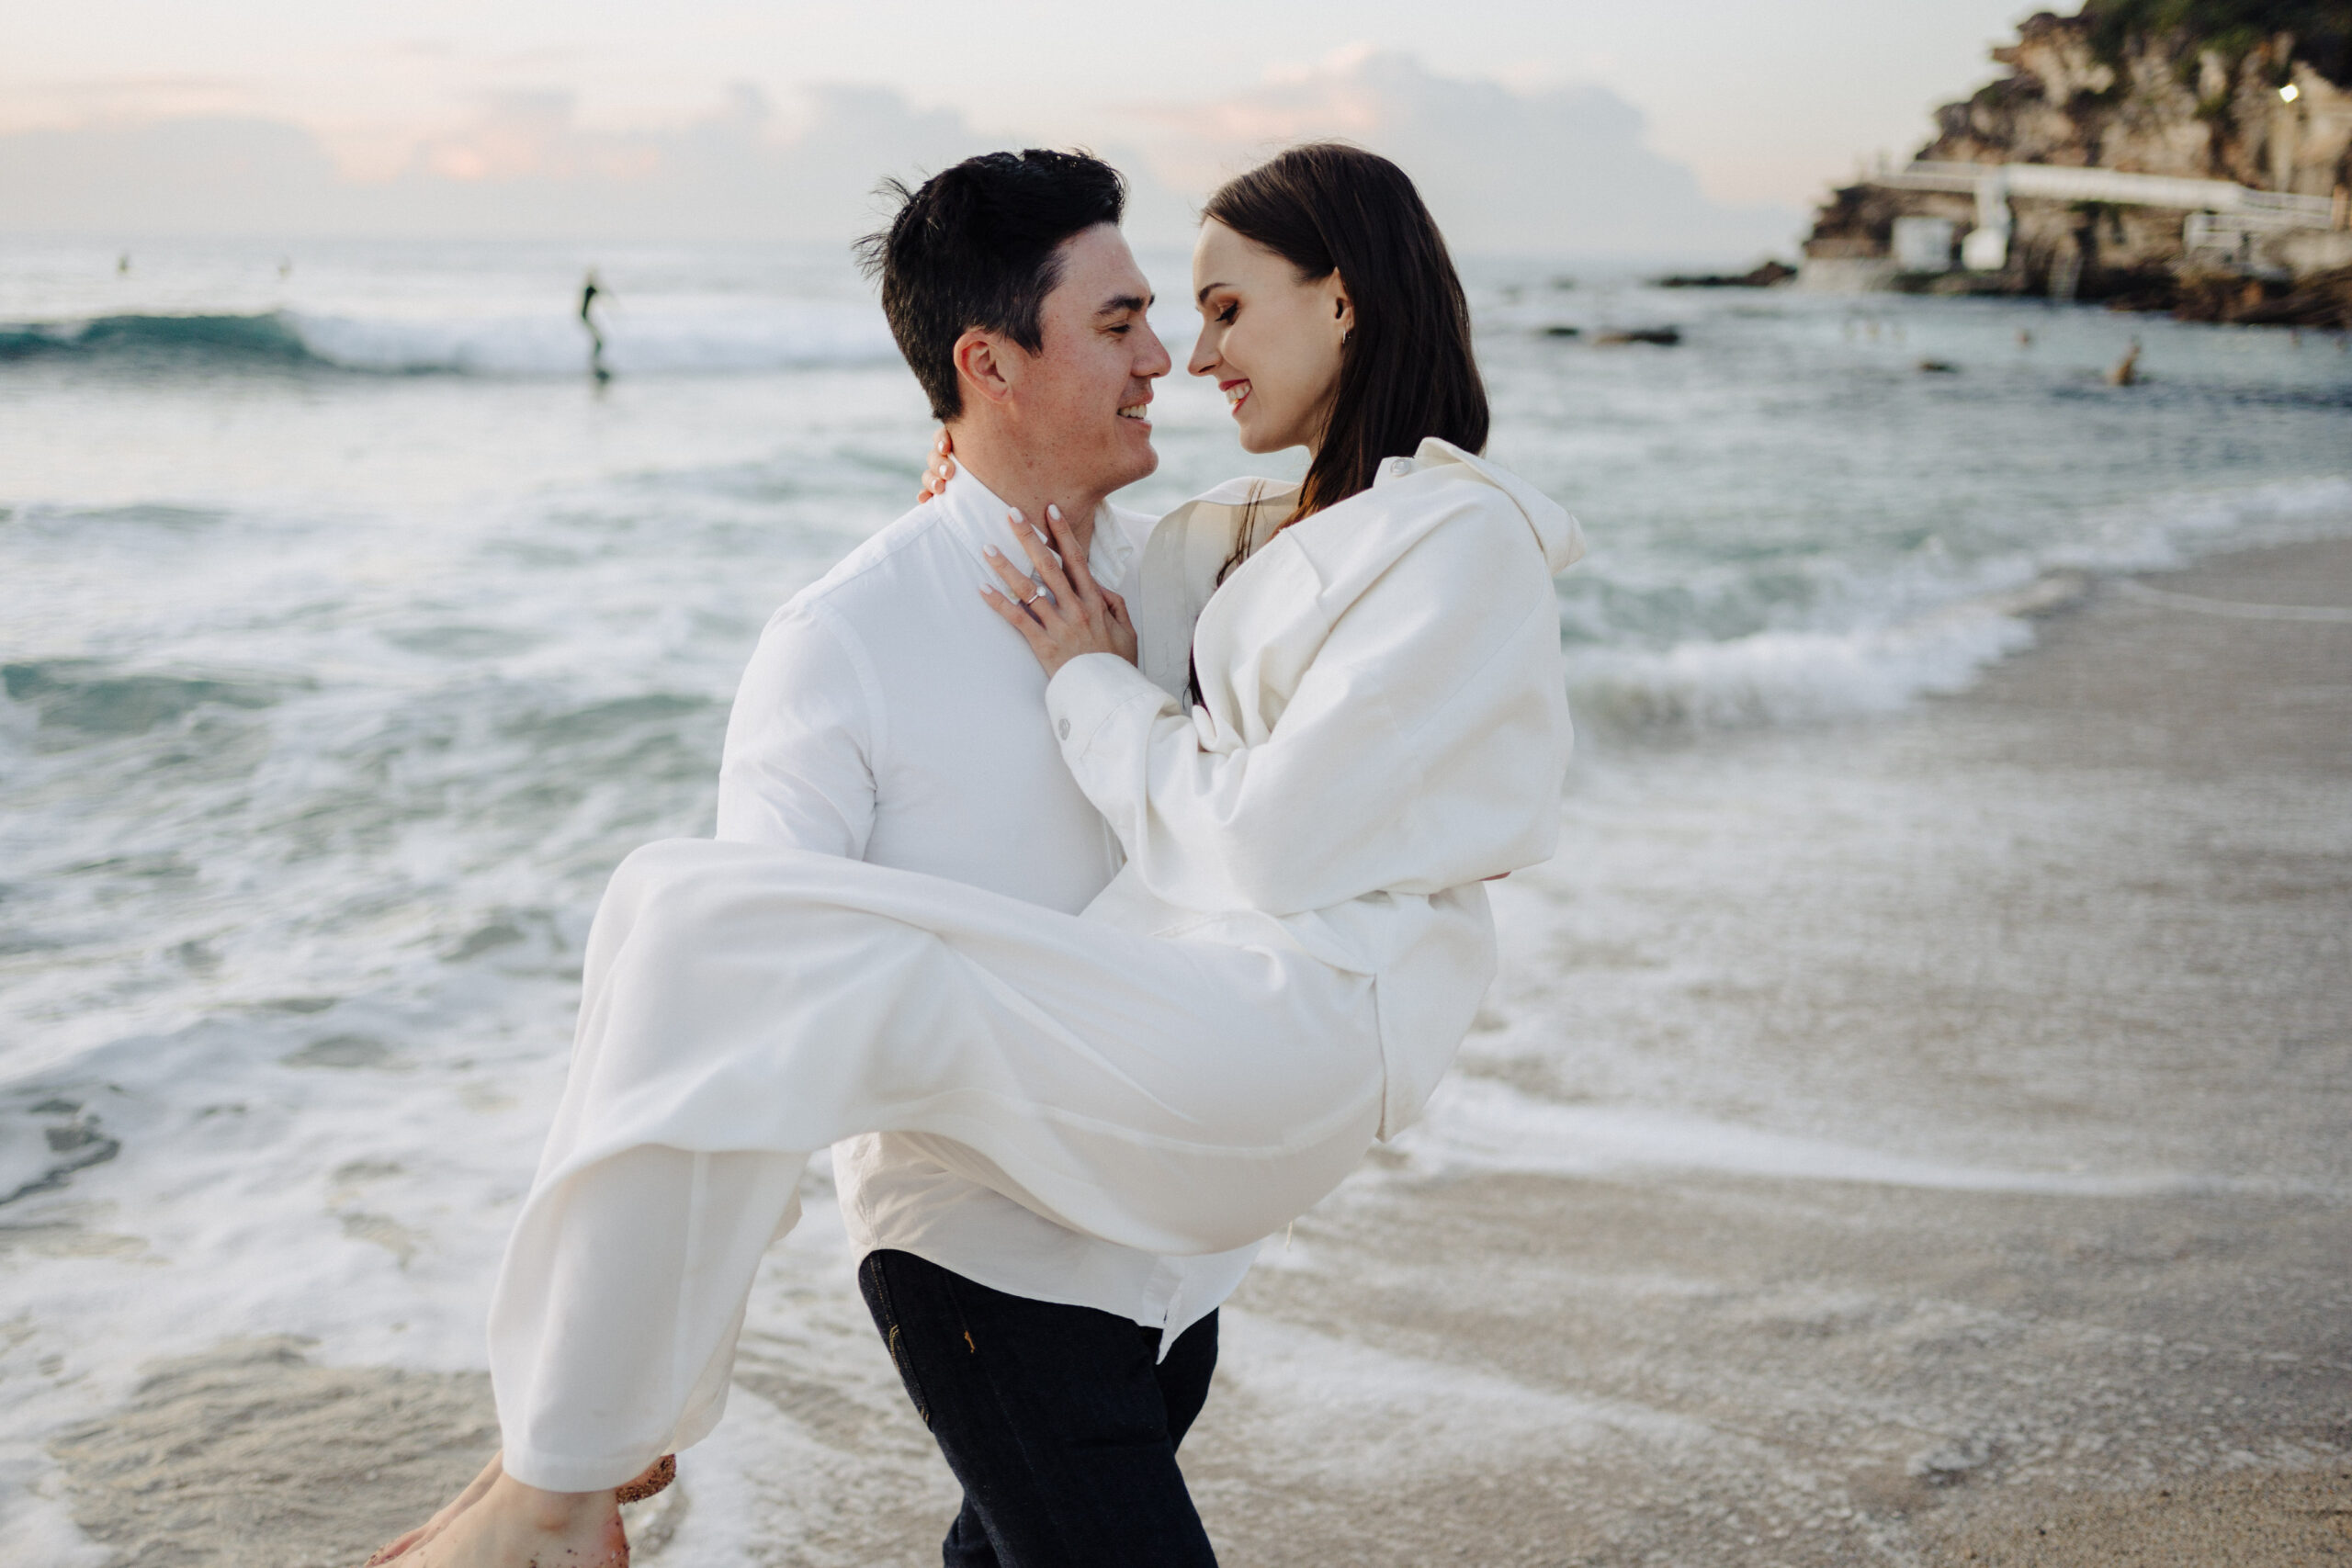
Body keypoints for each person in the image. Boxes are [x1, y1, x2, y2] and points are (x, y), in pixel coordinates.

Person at [369, 141, 1581, 1568]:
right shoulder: (842, 639)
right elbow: (755, 1019)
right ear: (989, 363)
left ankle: (556, 1466)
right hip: (985, 1261)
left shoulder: (1171, 576)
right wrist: (640, 1388)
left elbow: (1347, 682)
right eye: (1122, 324)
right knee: (699, 923)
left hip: (1176, 1257)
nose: (1170, 364)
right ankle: (556, 1472)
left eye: (1181, 315)